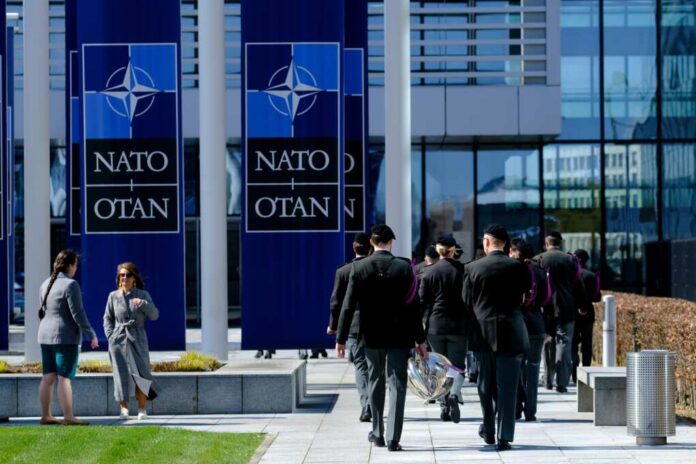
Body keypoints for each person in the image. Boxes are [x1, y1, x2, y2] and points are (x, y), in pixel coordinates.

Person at [336, 224, 428, 452]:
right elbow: (413, 307)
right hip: (399, 335)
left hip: (370, 334)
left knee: (375, 380)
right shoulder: (405, 268)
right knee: (397, 384)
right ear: (390, 242)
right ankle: (393, 437)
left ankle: (377, 433)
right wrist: (420, 340)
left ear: (372, 243)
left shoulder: (359, 267)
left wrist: (341, 338)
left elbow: (348, 306)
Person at [463, 225, 530, 451]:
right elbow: (525, 296)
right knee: (508, 387)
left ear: (487, 242)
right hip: (512, 331)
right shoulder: (518, 267)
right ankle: (505, 435)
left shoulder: (472, 268)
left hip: (483, 333)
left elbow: (466, 301)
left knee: (485, 384)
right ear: (505, 244)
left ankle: (489, 429)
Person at [37, 249, 99, 426]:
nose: (76, 269)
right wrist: (91, 334)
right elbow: (78, 314)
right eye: (76, 265)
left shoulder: (45, 283)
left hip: (45, 335)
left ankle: (46, 415)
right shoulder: (71, 285)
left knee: (48, 377)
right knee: (64, 378)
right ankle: (69, 416)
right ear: (70, 265)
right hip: (65, 337)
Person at [419, 234, 467, 423]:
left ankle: (444, 406)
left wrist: (418, 329)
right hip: (459, 325)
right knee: (457, 367)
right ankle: (454, 394)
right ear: (454, 250)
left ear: (437, 250)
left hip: (435, 325)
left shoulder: (429, 272)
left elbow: (422, 302)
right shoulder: (464, 270)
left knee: (439, 368)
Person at [103, 262, 160, 420]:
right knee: (120, 373)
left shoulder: (143, 295)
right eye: (122, 275)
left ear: (134, 278)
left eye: (128, 275)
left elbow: (155, 315)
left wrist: (143, 305)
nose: (125, 278)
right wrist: (110, 336)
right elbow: (107, 318)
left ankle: (142, 409)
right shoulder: (113, 296)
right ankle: (124, 409)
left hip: (138, 338)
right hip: (118, 339)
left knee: (141, 373)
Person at [327, 232, 373, 422]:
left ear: (354, 247)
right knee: (374, 366)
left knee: (361, 366)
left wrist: (333, 326)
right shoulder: (375, 269)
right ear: (370, 248)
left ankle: (366, 405)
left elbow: (336, 302)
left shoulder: (344, 271)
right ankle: (372, 404)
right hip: (376, 324)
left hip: (354, 326)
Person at [536, 231, 588, 393]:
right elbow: (579, 284)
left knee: (547, 343)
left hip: (545, 309)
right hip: (566, 308)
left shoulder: (538, 259)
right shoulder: (570, 260)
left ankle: (548, 380)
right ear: (561, 243)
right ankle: (562, 382)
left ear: (546, 243)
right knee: (564, 344)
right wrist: (583, 305)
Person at [510, 238, 548, 422]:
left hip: (516, 324)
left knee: (515, 367)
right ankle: (531, 410)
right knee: (533, 368)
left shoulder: (511, 270)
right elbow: (547, 298)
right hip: (536, 324)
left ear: (514, 252)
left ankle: (517, 406)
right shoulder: (540, 271)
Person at [571, 249, 601, 383]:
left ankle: (574, 372)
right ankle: (586, 371)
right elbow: (597, 297)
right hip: (588, 313)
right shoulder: (591, 275)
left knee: (573, 343)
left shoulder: (570, 275)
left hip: (572, 313)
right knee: (587, 344)